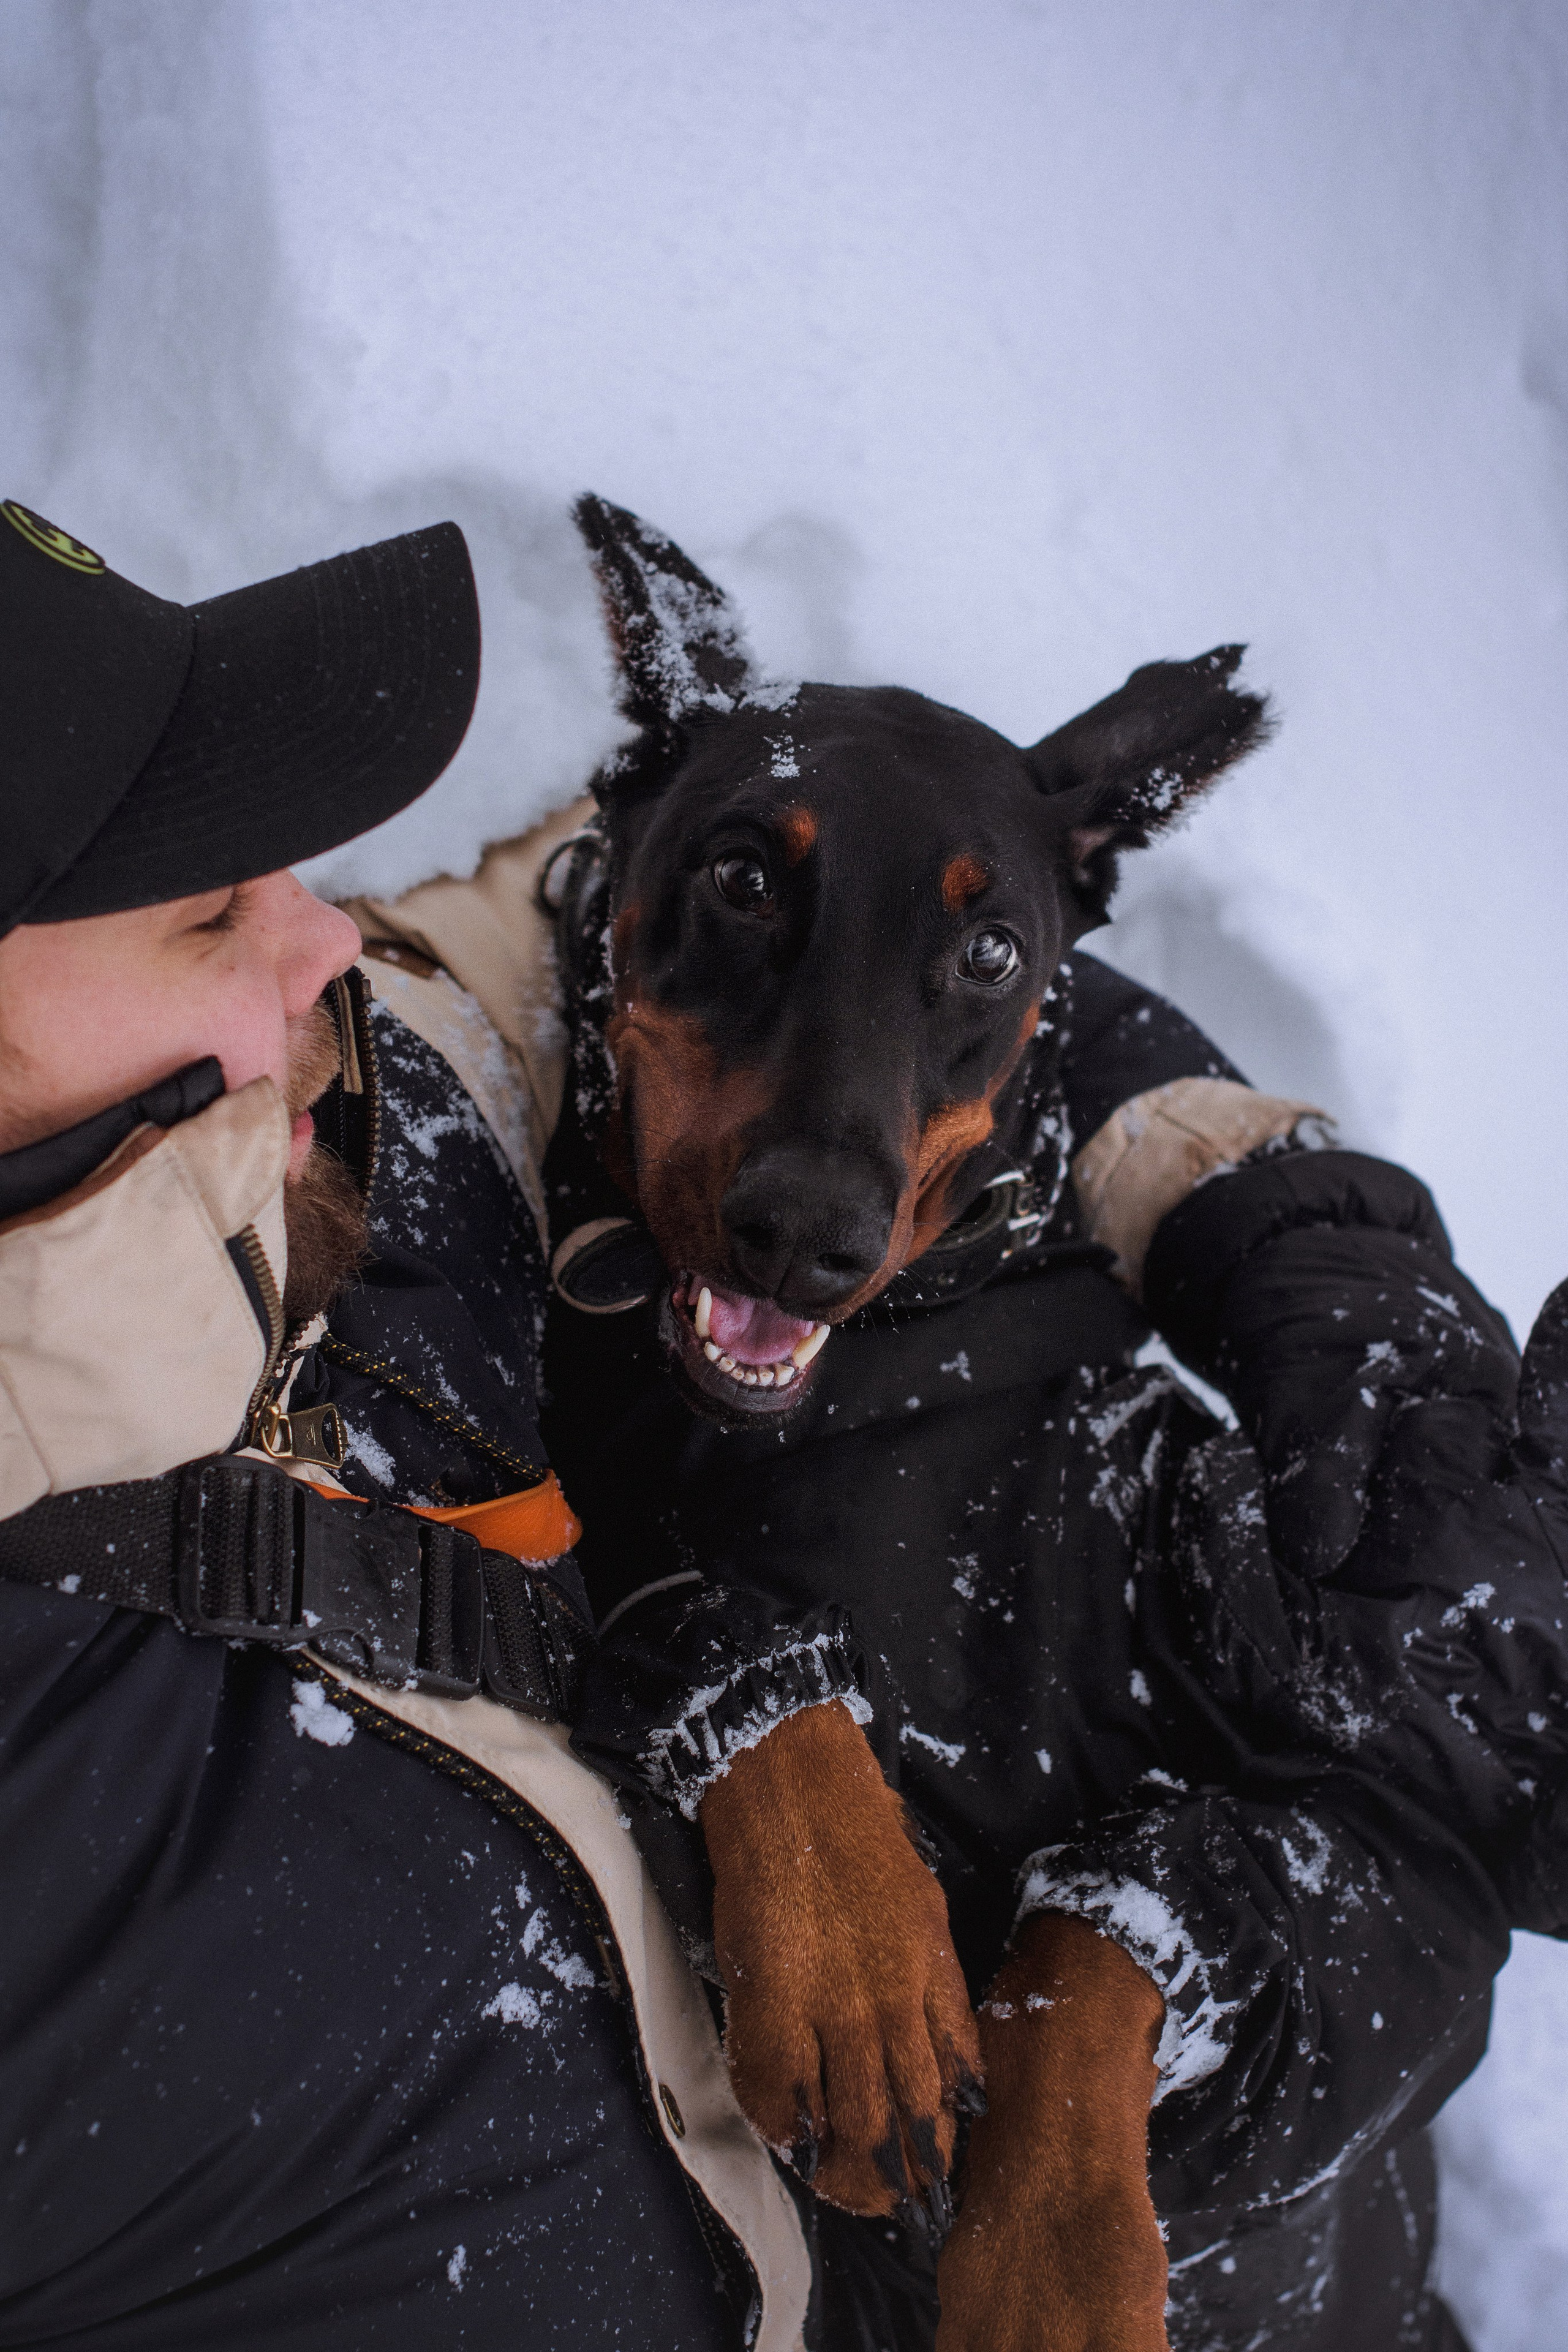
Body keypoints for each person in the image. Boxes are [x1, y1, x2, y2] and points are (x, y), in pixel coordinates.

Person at [0, 499, 809, 2351]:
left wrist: (1232, 1183)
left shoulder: (332, 1115)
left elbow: (567, 937)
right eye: (209, 905)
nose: (321, 941)